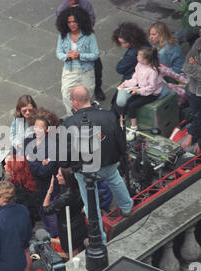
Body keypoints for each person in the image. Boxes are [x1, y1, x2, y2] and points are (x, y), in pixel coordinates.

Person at [60, 86, 133, 244]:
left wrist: (70, 165)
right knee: (115, 181)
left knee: (90, 203)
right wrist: (122, 155)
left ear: (74, 102)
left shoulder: (68, 124)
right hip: (109, 163)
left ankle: (100, 238)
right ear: (89, 98)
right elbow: (120, 141)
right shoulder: (108, 116)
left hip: (85, 170)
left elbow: (65, 155)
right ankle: (127, 207)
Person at [56, 0, 105, 101]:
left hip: (86, 69)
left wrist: (80, 55)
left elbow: (95, 54)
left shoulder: (89, 35)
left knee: (87, 95)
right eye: (69, 22)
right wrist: (67, 56)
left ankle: (98, 89)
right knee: (66, 95)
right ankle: (72, 115)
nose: (72, 24)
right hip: (70, 69)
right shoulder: (63, 34)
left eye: (75, 22)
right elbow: (59, 53)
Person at [118, 47, 164, 141]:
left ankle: (134, 128)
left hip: (151, 94)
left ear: (146, 59)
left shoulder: (152, 71)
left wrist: (138, 91)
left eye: (139, 55)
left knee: (133, 105)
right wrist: (125, 83)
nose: (137, 56)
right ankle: (121, 124)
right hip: (140, 88)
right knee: (126, 103)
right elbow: (135, 78)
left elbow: (152, 88)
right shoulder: (139, 64)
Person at [25, 116, 59, 238]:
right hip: (34, 186)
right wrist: (39, 162)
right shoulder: (29, 140)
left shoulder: (53, 146)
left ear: (47, 129)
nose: (37, 130)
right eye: (35, 126)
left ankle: (55, 237)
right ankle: (47, 235)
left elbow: (45, 171)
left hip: (48, 187)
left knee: (50, 213)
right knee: (41, 211)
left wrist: (31, 161)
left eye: (40, 127)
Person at [42, 167, 87, 257]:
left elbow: (46, 210)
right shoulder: (81, 185)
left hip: (68, 230)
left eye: (60, 175)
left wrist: (49, 191)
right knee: (80, 248)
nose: (56, 176)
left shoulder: (65, 197)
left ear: (67, 179)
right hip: (80, 223)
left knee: (73, 255)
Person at [110, 22, 150, 118]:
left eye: (125, 42)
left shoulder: (132, 53)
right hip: (143, 78)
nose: (123, 45)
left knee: (117, 105)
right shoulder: (145, 44)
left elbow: (119, 68)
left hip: (133, 81)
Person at [4, 154, 39, 227]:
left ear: (13, 170)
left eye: (7, 165)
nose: (4, 167)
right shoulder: (29, 181)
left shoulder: (14, 189)